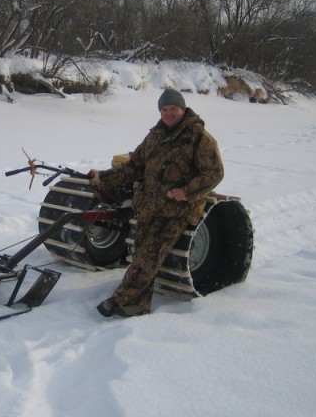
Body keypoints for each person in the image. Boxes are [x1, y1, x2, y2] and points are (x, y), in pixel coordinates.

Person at [88, 88, 224, 317]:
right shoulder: (155, 136)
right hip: (150, 205)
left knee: (148, 256)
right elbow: (135, 167)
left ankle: (121, 300)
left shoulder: (198, 136)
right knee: (141, 253)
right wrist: (103, 177)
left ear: (182, 109)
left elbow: (214, 173)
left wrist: (187, 192)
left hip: (177, 209)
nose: (169, 113)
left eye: (173, 109)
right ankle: (137, 305)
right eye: (164, 109)